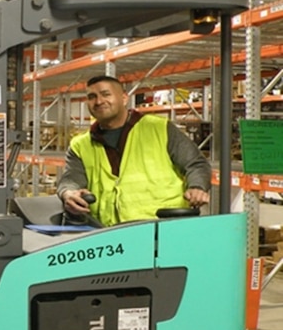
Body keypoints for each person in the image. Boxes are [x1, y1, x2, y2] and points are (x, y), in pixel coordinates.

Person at [57, 75, 211, 227]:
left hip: (163, 229)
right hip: (110, 235)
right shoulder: (80, 145)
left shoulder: (160, 128)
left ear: (124, 98)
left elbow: (196, 163)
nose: (98, 101)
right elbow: (71, 180)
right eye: (92, 97)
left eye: (106, 94)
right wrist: (68, 193)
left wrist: (197, 187)